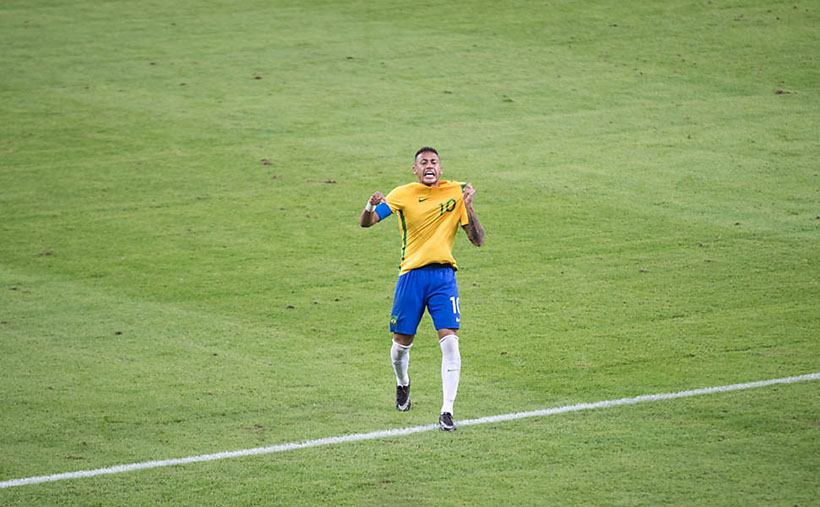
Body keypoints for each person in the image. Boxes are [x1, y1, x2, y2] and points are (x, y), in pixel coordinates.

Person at [360, 147, 485, 431]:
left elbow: (477, 240)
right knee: (399, 348)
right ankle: (403, 383)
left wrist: (470, 206)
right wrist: (369, 206)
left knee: (451, 342)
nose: (429, 166)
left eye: (434, 162)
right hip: (411, 277)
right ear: (415, 170)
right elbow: (367, 223)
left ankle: (447, 411)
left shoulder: (456, 193)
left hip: (443, 277)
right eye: (423, 163)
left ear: (441, 169)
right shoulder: (402, 193)